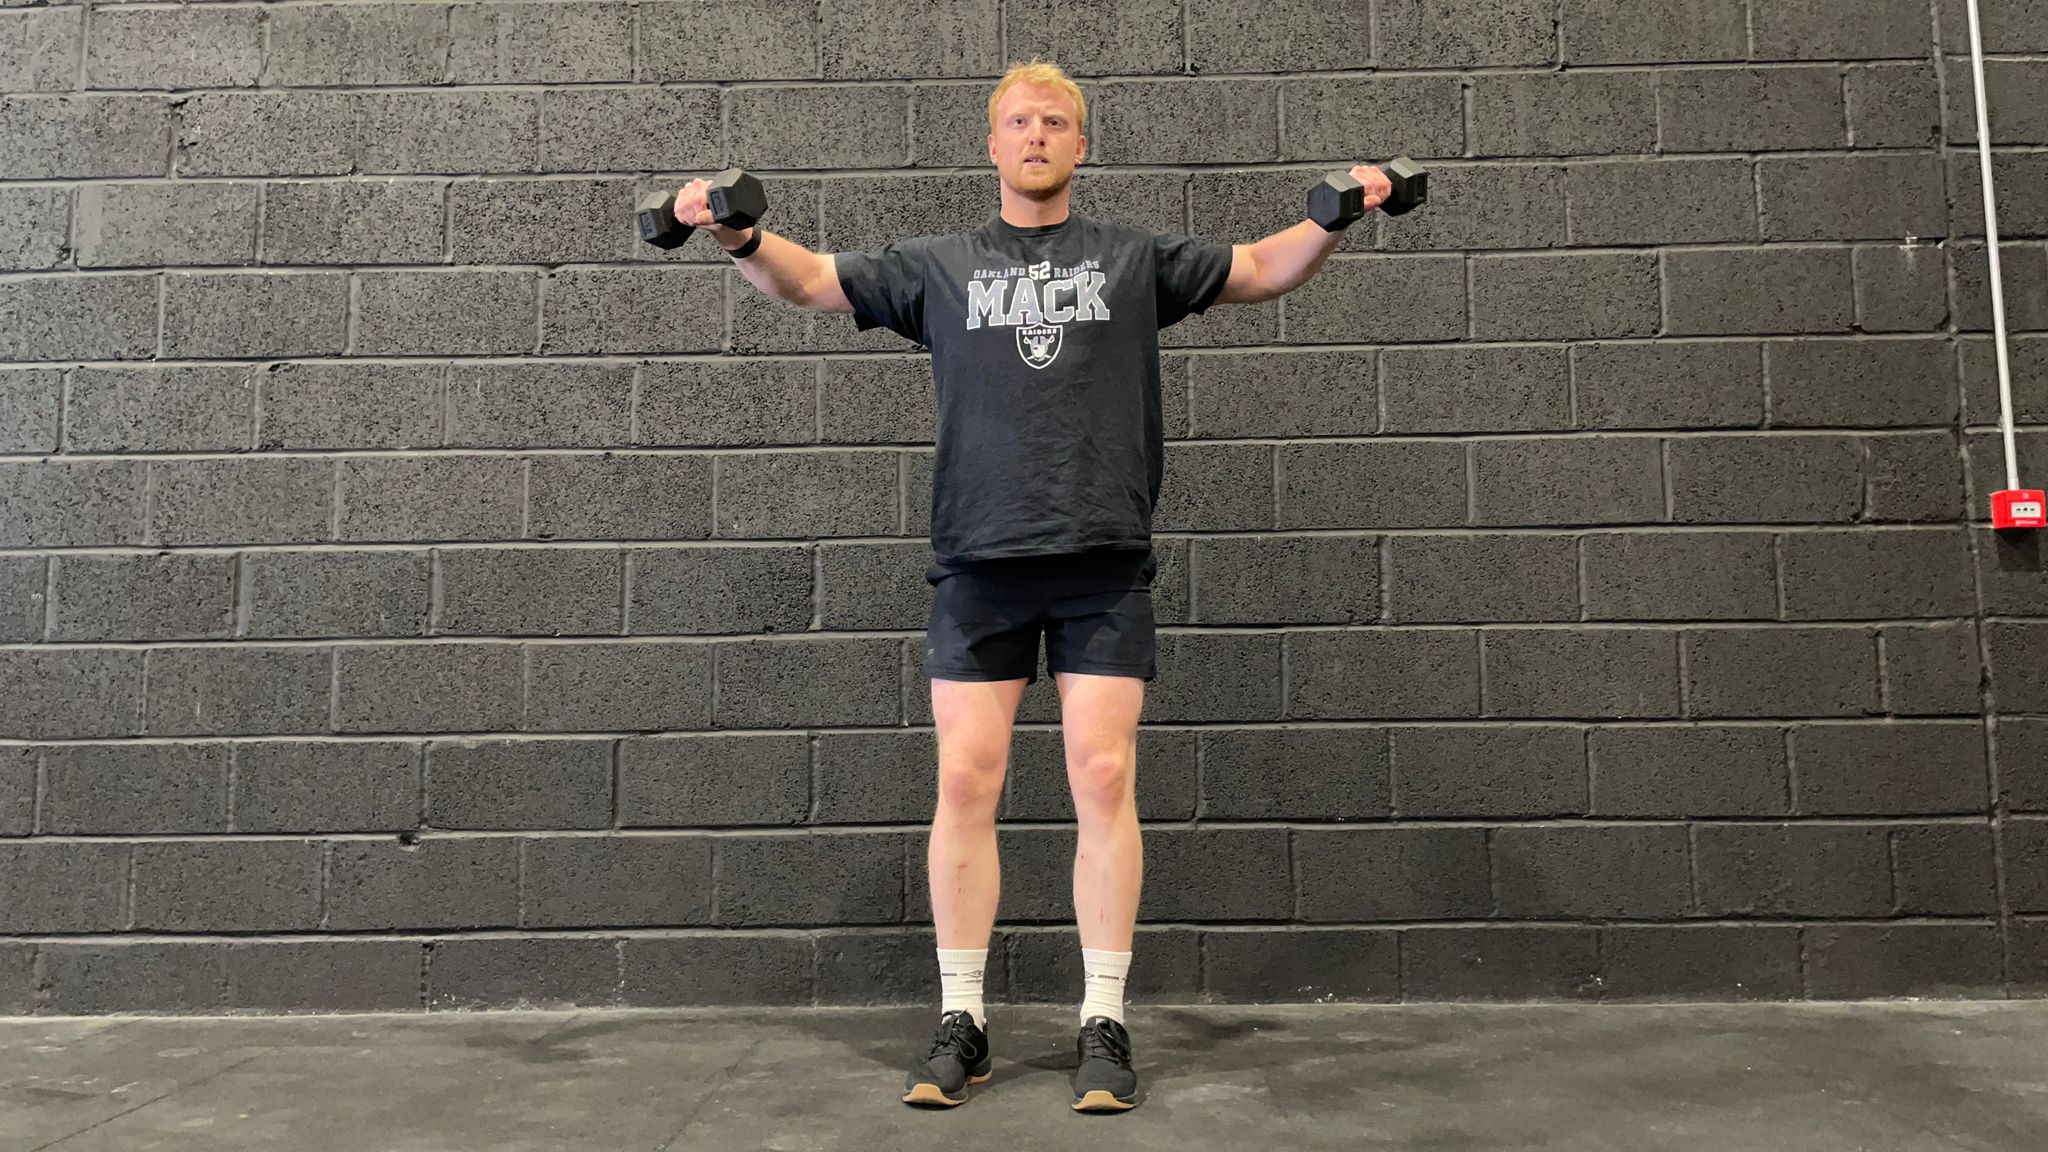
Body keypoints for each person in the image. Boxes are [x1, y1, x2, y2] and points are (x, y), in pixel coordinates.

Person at [670, 58, 1392, 1114]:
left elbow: (1260, 268)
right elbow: (810, 279)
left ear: (1080, 144)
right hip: (978, 563)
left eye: (1056, 121)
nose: (1037, 134)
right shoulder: (942, 266)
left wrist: (1336, 214)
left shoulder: (1134, 257)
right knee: (965, 781)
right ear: (994, 144)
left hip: (1099, 560)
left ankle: (1103, 1018)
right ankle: (961, 1015)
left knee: (1101, 776)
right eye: (1019, 121)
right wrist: (732, 233)